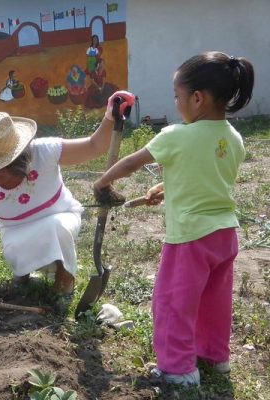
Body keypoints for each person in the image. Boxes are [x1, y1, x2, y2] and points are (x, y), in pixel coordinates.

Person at [93, 51, 255, 386]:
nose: (177, 102)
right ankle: (214, 356)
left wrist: (102, 181)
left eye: (178, 96)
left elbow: (131, 163)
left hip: (191, 239)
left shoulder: (176, 136)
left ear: (198, 98)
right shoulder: (234, 138)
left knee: (172, 302)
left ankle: (178, 369)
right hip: (225, 236)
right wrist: (165, 187)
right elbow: (207, 177)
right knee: (214, 301)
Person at [0, 91, 135, 304]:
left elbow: (93, 146)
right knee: (15, 246)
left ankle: (64, 283)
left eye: (0, 171)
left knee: (55, 227)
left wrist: (108, 118)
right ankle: (23, 273)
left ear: (19, 160)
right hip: (16, 231)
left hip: (61, 216)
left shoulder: (44, 152)